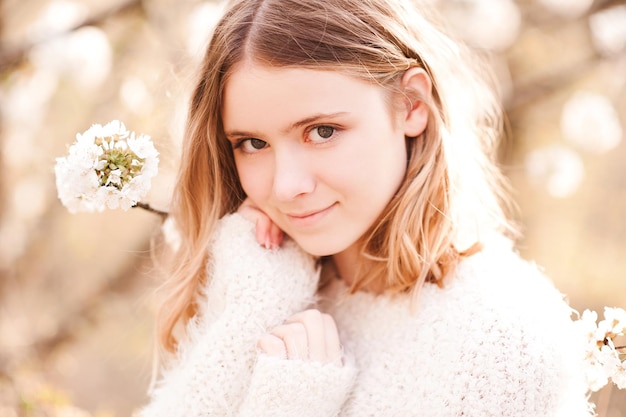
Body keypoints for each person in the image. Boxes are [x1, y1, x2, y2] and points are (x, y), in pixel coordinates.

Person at [138, 0, 594, 415]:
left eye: (322, 132)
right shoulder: (259, 278)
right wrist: (254, 301)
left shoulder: (501, 343)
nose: (285, 185)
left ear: (411, 104)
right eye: (252, 143)